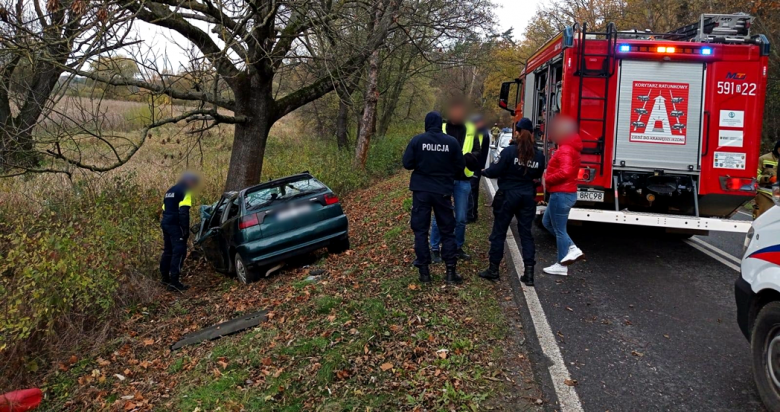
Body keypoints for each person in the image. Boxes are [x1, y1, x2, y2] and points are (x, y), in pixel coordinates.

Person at [403, 111, 467, 284]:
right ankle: (450, 272)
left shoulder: (417, 140)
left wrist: (422, 164)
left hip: (421, 191)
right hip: (443, 191)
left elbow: (407, 163)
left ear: (427, 123)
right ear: (441, 124)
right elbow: (460, 165)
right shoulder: (451, 142)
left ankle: (424, 273)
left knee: (420, 231)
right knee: (447, 231)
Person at [480, 118, 545, 285]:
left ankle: (493, 269)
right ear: (531, 133)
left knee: (499, 232)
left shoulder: (509, 152)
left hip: (508, 196)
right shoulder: (538, 155)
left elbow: (495, 170)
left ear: (517, 132)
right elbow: (538, 175)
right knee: (526, 235)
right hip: (527, 197)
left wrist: (484, 172)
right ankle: (529, 274)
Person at [430, 99, 481, 263]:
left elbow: (478, 151)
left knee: (460, 218)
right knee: (439, 215)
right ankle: (434, 248)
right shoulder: (442, 128)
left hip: (463, 178)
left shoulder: (471, 129)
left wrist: (469, 157)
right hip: (444, 179)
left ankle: (457, 247)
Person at [542, 116, 584, 276]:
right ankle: (572, 248)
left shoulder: (566, 149)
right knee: (547, 222)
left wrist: (548, 178)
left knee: (560, 230)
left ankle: (562, 264)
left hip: (561, 193)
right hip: (562, 192)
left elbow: (565, 171)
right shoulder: (568, 147)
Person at [160, 171, 200, 291]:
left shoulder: (170, 191)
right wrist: (185, 230)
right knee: (179, 251)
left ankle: (164, 278)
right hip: (175, 225)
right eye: (194, 184)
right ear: (190, 181)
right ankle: (174, 282)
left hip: (166, 223)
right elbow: (184, 212)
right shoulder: (185, 191)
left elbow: (164, 209)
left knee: (168, 251)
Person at [467, 114, 491, 223]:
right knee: (472, 190)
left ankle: (471, 214)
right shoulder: (480, 132)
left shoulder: (482, 134)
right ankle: (471, 213)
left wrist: (481, 166)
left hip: (475, 165)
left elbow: (481, 151)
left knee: (472, 190)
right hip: (472, 165)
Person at [755, 141, 780, 219]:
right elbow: (755, 175)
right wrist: (767, 179)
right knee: (761, 218)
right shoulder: (764, 158)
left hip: (778, 194)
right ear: (777, 148)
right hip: (765, 194)